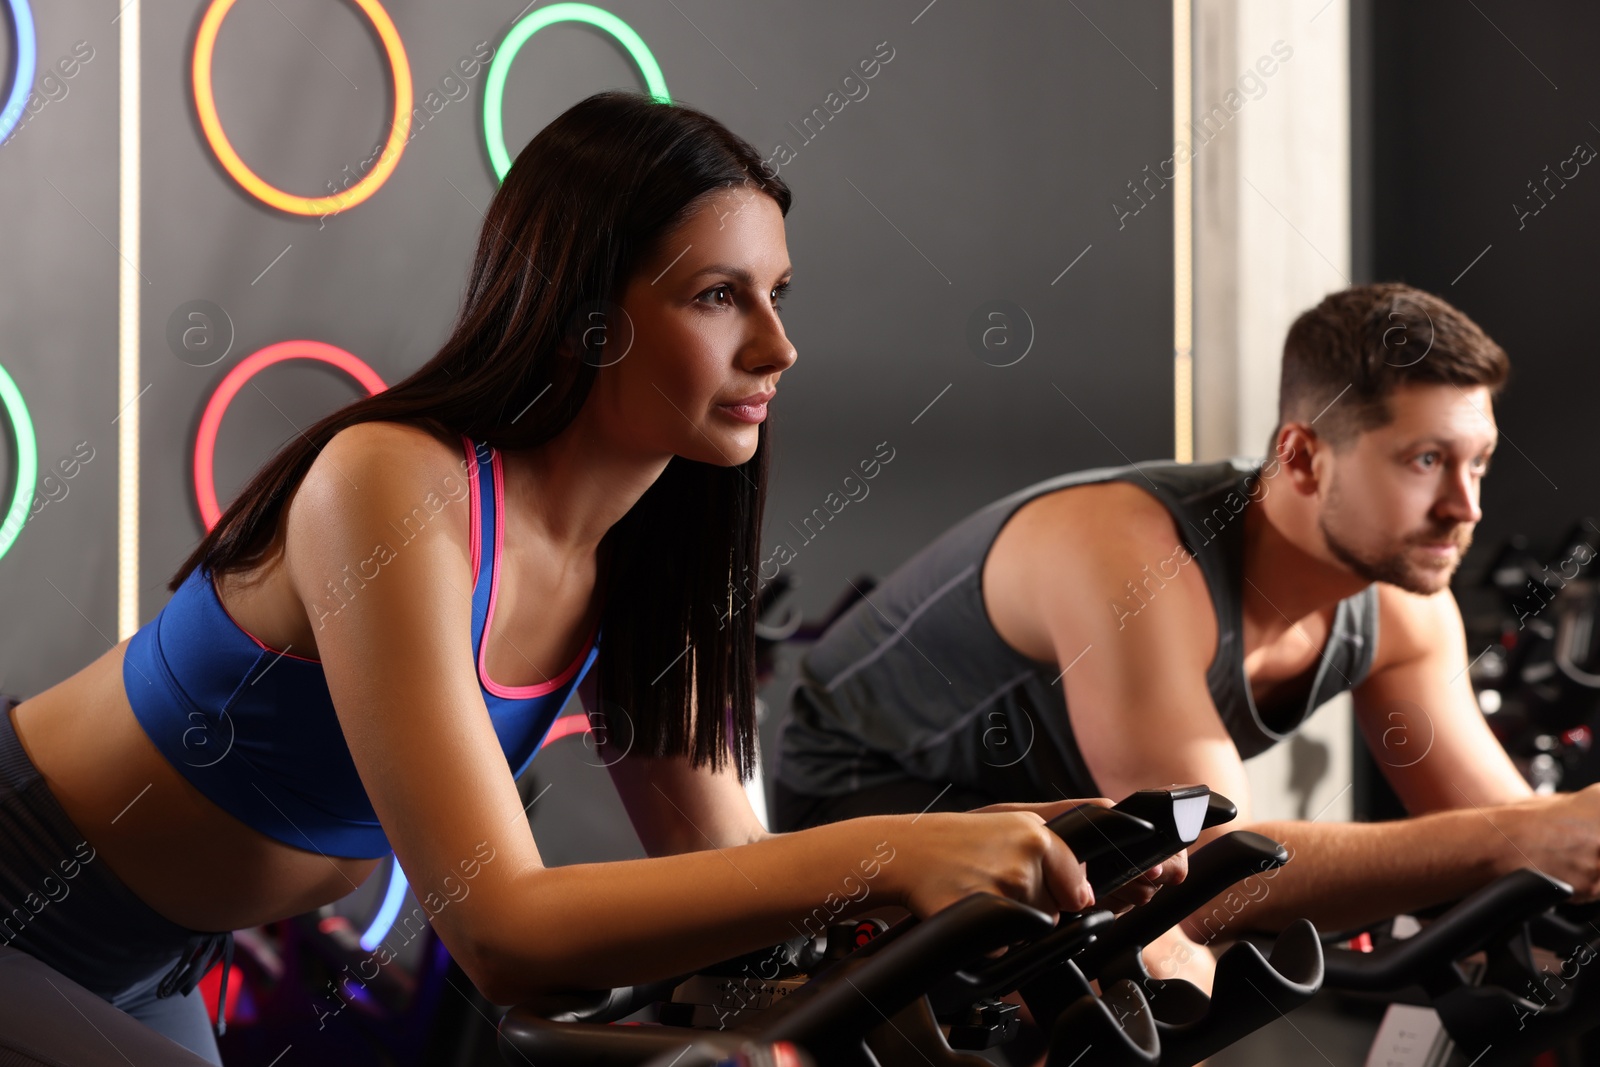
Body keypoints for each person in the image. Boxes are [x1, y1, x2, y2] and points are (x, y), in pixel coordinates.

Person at [0, 91, 1168, 1065]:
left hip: (163, 954)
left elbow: (733, 889)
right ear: (583, 315)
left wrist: (984, 869)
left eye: (779, 294)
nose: (777, 346)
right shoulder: (395, 489)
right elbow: (502, 926)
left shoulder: (639, 566)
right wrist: (890, 854)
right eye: (720, 296)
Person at [772, 282, 1600, 988]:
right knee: (1166, 954)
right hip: (872, 805)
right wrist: (1526, 833)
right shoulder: (1132, 555)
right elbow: (1210, 872)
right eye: (1426, 460)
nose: (1467, 505)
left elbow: (1516, 840)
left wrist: (1552, 839)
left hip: (1083, 833)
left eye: (1478, 462)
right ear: (1304, 459)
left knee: (1161, 948)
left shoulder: (1405, 606)